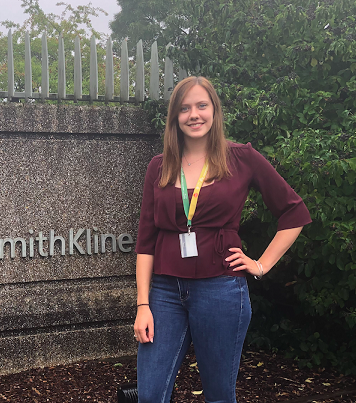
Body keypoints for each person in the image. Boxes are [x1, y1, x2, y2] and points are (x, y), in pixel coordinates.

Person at [133, 76, 311, 403]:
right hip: (165, 293)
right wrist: (143, 304)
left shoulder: (241, 158)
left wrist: (260, 265)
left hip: (221, 290)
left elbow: (294, 212)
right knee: (150, 395)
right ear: (175, 117)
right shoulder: (158, 167)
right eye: (184, 108)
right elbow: (146, 241)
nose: (194, 114)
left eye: (202, 105)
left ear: (215, 110)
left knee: (218, 396)